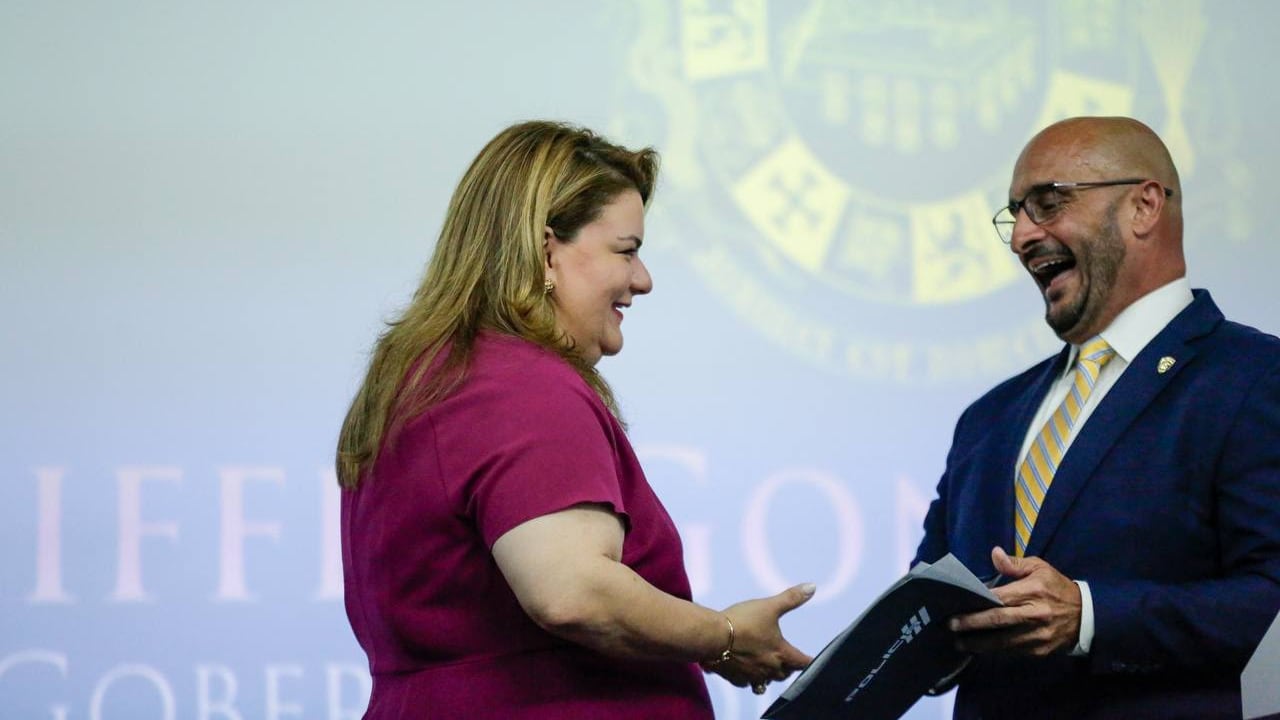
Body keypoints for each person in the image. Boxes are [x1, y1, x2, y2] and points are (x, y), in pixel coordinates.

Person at [336, 120, 813, 719]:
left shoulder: (431, 375)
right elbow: (573, 592)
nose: (642, 280)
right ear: (545, 251)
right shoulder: (521, 383)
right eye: (627, 250)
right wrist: (724, 636)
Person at [914, 116, 1280, 719]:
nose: (1021, 237)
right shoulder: (988, 419)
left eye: (1048, 203)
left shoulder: (1253, 379)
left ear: (1143, 206)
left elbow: (1273, 600)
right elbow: (928, 610)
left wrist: (1091, 616)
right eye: (1016, 215)